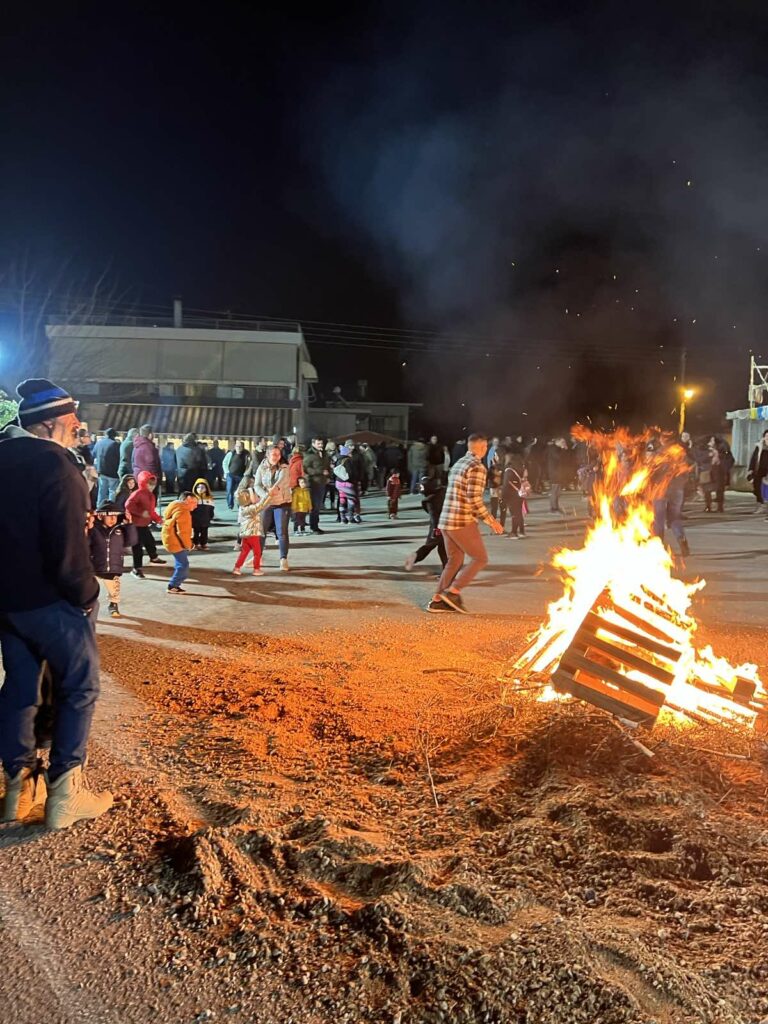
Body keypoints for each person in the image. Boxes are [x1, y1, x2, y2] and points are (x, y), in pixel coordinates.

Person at [0, 377, 112, 829]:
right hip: (51, 600)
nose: (77, 427)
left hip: (6, 601)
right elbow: (68, 553)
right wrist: (87, 595)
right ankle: (66, 793)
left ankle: (17, 791)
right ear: (48, 426)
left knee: (20, 687)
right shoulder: (57, 467)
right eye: (70, 421)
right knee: (80, 686)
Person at [428, 433, 503, 613]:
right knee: (480, 558)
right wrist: (492, 521)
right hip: (461, 521)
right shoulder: (477, 467)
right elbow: (474, 499)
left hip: (446, 520)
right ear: (483, 448)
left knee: (455, 560)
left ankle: (437, 600)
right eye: (485, 447)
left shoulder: (459, 463)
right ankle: (453, 592)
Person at [254, 444, 293, 570]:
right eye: (273, 454)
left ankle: (283, 559)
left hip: (282, 503)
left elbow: (281, 482)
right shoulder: (262, 467)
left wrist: (273, 490)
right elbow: (257, 484)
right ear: (268, 455)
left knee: (282, 532)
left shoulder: (284, 467)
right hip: (267, 502)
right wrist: (265, 495)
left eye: (278, 454)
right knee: (261, 531)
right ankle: (258, 557)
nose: (276, 457)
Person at [650, 439, 691, 557]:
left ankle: (658, 546)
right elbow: (686, 472)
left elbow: (651, 474)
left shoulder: (658, 455)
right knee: (674, 517)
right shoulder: (680, 454)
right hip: (677, 490)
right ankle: (681, 539)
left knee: (659, 520)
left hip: (660, 490)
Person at [88, 501, 129, 618]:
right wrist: (89, 529)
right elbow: (85, 544)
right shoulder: (94, 529)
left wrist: (130, 525)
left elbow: (131, 541)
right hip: (94, 564)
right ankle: (87, 605)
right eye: (109, 516)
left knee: (114, 588)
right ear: (101, 516)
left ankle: (113, 605)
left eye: (115, 516)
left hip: (113, 565)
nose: (113, 519)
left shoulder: (120, 529)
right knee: (88, 588)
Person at [125, 470, 165, 577]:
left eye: (153, 484)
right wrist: (141, 513)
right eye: (149, 483)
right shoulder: (138, 493)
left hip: (143, 524)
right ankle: (136, 568)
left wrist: (158, 520)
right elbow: (128, 505)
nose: (152, 486)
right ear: (143, 482)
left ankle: (153, 557)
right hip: (135, 525)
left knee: (150, 542)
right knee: (137, 547)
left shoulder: (150, 496)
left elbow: (151, 511)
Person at [404, 476, 447, 572]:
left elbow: (434, 517)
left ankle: (416, 556)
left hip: (438, 527)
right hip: (446, 525)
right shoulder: (443, 491)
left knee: (436, 547)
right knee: (442, 549)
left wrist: (436, 530)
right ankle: (447, 573)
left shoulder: (429, 501)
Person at [162, 491, 197, 593]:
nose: (196, 506)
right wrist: (189, 545)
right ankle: (173, 585)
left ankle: (174, 585)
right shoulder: (183, 511)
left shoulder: (174, 507)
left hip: (170, 539)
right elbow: (183, 532)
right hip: (176, 542)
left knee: (181, 564)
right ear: (188, 500)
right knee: (183, 566)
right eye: (194, 502)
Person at [232, 482, 269, 575]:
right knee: (257, 552)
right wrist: (269, 495)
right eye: (255, 495)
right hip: (253, 534)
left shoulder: (243, 508)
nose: (257, 497)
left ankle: (237, 568)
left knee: (244, 552)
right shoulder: (251, 509)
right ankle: (256, 569)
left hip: (245, 534)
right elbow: (261, 505)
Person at [303, 436, 330, 534]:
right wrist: (320, 471)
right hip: (313, 483)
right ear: (313, 444)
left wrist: (328, 476)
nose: (321, 445)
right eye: (318, 444)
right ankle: (313, 527)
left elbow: (327, 466)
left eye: (321, 443)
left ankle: (315, 525)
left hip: (322, 482)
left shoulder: (324, 454)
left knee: (318, 505)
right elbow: (305, 468)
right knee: (314, 506)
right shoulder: (309, 455)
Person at [702, 436, 734, 513]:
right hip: (708, 471)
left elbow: (730, 459)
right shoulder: (704, 449)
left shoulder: (724, 450)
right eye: (710, 440)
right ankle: (708, 506)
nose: (711, 442)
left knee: (719, 489)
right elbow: (699, 458)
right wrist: (708, 456)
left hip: (719, 471)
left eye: (713, 440)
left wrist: (719, 457)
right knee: (707, 489)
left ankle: (720, 507)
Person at [502, 451, 530, 538]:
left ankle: (514, 533)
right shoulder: (521, 469)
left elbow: (507, 484)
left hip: (511, 495)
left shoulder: (509, 470)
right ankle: (521, 531)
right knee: (519, 513)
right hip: (520, 494)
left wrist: (504, 496)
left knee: (515, 514)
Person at [334, 445, 362, 524]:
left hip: (339, 483)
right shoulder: (348, 460)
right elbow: (351, 473)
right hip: (347, 483)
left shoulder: (338, 460)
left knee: (342, 500)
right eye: (349, 452)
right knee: (351, 500)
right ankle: (350, 518)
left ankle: (343, 518)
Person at [93, 427, 121, 504]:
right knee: (112, 491)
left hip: (101, 471)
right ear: (114, 436)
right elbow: (119, 458)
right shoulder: (115, 444)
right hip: (112, 473)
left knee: (101, 491)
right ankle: (110, 508)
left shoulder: (98, 443)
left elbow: (93, 455)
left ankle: (99, 508)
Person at [223, 439, 251, 510]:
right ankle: (230, 505)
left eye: (240, 446)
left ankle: (240, 505)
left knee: (241, 492)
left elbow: (249, 464)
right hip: (231, 475)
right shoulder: (231, 453)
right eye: (237, 446)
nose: (239, 448)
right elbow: (224, 463)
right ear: (235, 447)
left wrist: (246, 473)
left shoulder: (246, 454)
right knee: (229, 490)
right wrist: (227, 472)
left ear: (243, 447)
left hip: (241, 476)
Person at [191, 477, 215, 549]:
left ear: (206, 488)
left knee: (204, 533)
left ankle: (203, 543)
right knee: (196, 532)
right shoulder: (193, 499)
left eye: (203, 487)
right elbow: (190, 510)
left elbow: (211, 509)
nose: (200, 489)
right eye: (198, 487)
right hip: (196, 520)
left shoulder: (209, 499)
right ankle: (195, 544)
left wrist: (211, 517)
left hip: (205, 520)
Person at [747, 429, 768, 512]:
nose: (767, 438)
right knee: (757, 488)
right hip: (759, 470)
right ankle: (760, 504)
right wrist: (751, 469)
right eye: (766, 436)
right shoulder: (759, 447)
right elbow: (754, 458)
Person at [547, 437, 570, 513]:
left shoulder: (558, 448)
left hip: (559, 472)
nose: (564, 443)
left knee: (558, 492)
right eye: (562, 441)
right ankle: (553, 508)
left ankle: (556, 507)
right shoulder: (553, 449)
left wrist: (565, 449)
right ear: (558, 441)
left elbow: (565, 459)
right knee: (555, 491)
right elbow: (559, 457)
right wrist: (563, 449)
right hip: (554, 473)